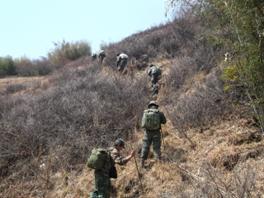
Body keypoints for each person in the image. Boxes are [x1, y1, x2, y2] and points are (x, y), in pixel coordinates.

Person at [141, 101, 166, 168]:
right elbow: (164, 122)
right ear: (156, 106)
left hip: (147, 133)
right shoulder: (159, 113)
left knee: (145, 147)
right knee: (156, 148)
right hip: (156, 133)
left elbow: (143, 124)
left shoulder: (145, 112)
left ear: (149, 106)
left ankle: (142, 163)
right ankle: (158, 164)